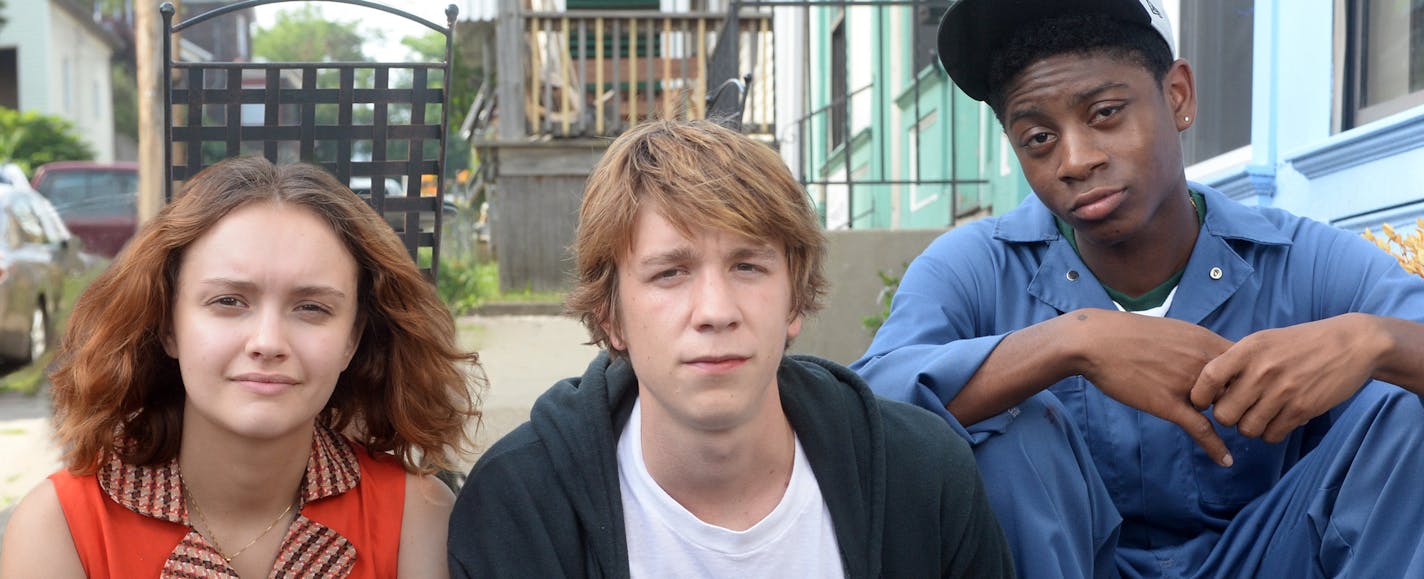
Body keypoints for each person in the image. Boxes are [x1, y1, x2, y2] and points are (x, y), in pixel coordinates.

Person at [853, 0, 1424, 577]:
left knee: (1408, 403)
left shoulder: (1304, 261)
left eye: (1104, 113)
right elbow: (860, 421)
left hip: (1274, 557)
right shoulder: (971, 268)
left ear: (1178, 96)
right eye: (1038, 138)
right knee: (1004, 425)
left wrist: (1373, 341)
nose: (1075, 160)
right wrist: (1074, 343)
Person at [447, 119, 1014, 578]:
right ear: (609, 315)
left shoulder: (922, 474)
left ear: (795, 300)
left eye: (748, 266)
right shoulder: (519, 505)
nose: (716, 311)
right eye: (670, 273)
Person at [0, 156, 481, 579]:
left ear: (352, 340)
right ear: (168, 325)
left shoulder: (414, 517)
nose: (268, 342)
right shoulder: (62, 527)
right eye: (229, 301)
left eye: (311, 308)